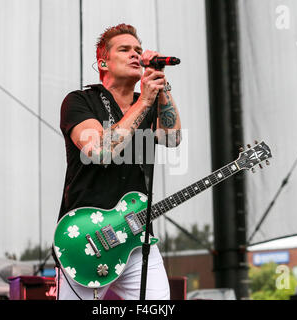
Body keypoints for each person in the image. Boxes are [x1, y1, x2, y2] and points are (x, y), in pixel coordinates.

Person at [56, 23, 182, 300]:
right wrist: (144, 102)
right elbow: (99, 152)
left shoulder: (147, 102)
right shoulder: (79, 101)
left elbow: (172, 138)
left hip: (137, 237)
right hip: (86, 238)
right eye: (125, 50)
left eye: (138, 50)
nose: (135, 54)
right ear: (103, 62)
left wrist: (162, 83)